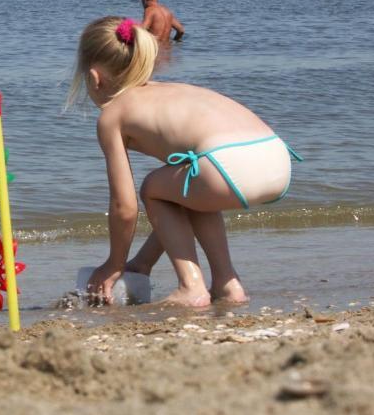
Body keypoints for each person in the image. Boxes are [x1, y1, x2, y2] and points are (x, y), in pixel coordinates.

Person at [68, 17, 300, 307]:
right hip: (275, 156)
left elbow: (124, 207)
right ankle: (227, 283)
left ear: (94, 78)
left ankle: (192, 287)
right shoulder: (168, 90)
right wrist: (142, 263)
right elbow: (177, 206)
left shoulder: (113, 115)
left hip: (227, 164)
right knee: (185, 185)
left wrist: (114, 263)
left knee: (153, 186)